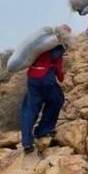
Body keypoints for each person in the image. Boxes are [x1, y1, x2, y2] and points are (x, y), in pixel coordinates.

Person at [21, 24, 71, 154]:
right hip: (46, 78)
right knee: (57, 100)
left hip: (32, 77)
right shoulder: (58, 46)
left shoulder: (43, 43)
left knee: (30, 107)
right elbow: (57, 64)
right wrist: (61, 78)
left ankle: (27, 142)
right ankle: (43, 130)